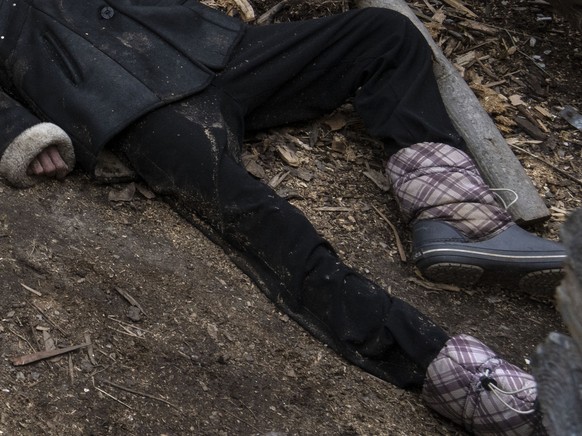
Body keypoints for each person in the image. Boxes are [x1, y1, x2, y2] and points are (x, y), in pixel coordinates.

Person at [0, 1, 563, 433]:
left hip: (210, 49)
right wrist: (18, 131)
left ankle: (454, 215)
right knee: (268, 224)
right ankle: (461, 378)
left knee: (383, 34)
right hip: (122, 105)